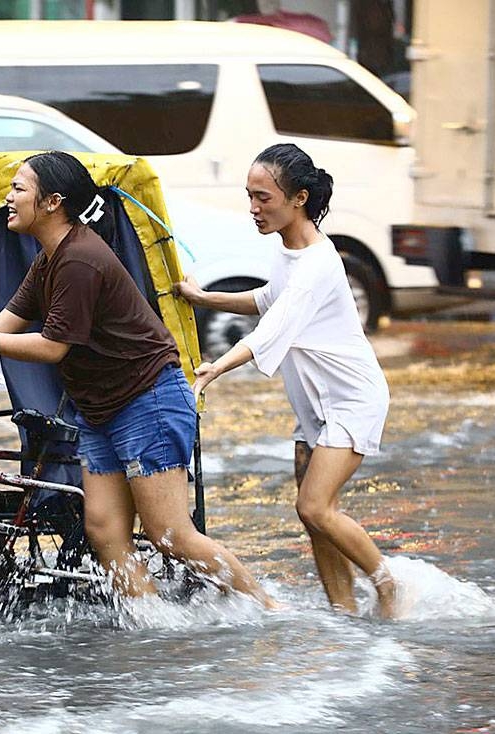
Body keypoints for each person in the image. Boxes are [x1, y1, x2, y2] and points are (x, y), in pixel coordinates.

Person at [0, 151, 276, 608]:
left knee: (170, 535)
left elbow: (53, 346)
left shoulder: (80, 259)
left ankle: (270, 609)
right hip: (101, 411)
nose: (9, 198)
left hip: (149, 400)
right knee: (105, 531)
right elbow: (2, 325)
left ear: (53, 201)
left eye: (19, 189)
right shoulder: (49, 259)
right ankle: (154, 626)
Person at [175, 143, 398, 618]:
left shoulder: (318, 263)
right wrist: (201, 298)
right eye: (249, 196)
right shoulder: (287, 252)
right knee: (317, 519)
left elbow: (273, 327)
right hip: (314, 404)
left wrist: (216, 367)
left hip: (352, 398)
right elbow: (265, 300)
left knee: (315, 508)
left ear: (299, 198)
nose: (253, 209)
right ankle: (344, 611)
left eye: (264, 198)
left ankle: (389, 587)